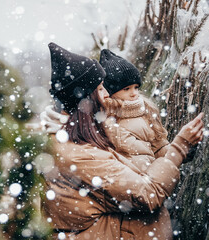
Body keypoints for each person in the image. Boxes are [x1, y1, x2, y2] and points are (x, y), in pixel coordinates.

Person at [40, 42, 204, 240]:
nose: (107, 94)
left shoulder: (79, 139)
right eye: (100, 89)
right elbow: (147, 194)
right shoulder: (79, 154)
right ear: (85, 100)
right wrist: (179, 148)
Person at [99, 49, 170, 172]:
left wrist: (178, 152)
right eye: (127, 89)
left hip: (153, 178)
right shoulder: (106, 118)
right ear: (110, 92)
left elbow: (158, 147)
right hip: (129, 181)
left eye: (136, 87)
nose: (134, 93)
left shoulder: (146, 111)